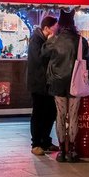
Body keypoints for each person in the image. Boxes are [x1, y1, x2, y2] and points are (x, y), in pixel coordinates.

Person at [42, 10, 88, 162]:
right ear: (73, 23)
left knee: (60, 116)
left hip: (57, 82)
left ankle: (62, 151)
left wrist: (49, 38)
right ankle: (73, 151)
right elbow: (88, 59)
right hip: (76, 82)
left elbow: (43, 54)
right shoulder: (81, 40)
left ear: (60, 23)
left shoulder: (54, 39)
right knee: (73, 116)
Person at [27, 15, 58, 156]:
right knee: (39, 113)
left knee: (50, 113)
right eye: (54, 29)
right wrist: (51, 42)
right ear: (46, 28)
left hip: (48, 83)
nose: (56, 31)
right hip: (38, 83)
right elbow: (39, 59)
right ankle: (36, 144)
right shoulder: (36, 39)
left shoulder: (45, 39)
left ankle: (46, 140)